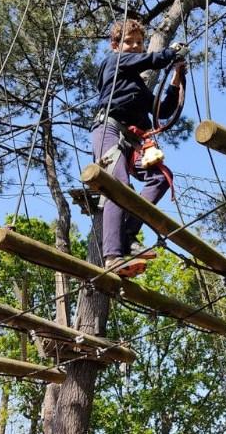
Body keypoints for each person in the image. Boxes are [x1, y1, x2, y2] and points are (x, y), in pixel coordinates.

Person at [92, 19, 188, 277]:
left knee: (161, 178)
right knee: (118, 185)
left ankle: (127, 235)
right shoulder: (114, 63)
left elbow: (162, 110)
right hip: (108, 130)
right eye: (128, 42)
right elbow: (149, 61)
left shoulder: (136, 85)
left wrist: (176, 78)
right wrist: (170, 53)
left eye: (139, 42)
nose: (135, 47)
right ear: (115, 46)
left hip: (131, 140)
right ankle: (112, 256)